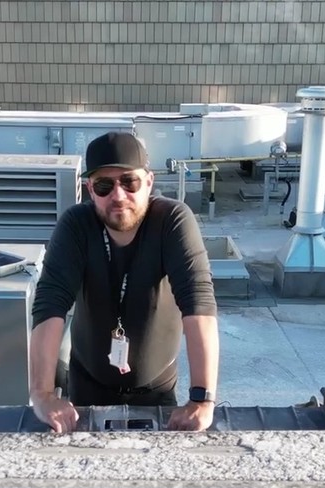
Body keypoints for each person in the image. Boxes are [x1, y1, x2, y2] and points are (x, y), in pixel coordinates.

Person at [28, 131, 220, 433]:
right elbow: (49, 305)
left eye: (129, 182)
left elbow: (198, 304)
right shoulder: (75, 226)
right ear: (90, 190)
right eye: (104, 185)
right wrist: (42, 394)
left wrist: (202, 399)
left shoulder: (172, 221)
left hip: (157, 387)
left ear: (149, 182)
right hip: (87, 385)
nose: (118, 195)